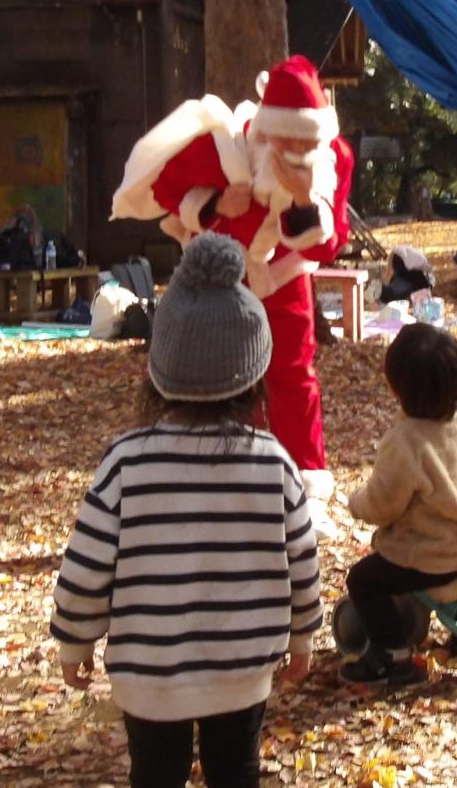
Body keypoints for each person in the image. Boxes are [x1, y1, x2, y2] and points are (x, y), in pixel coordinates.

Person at [50, 232, 321, 788]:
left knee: (155, 778)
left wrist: (73, 641)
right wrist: (302, 637)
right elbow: (302, 559)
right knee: (236, 774)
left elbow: (87, 564)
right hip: (240, 667)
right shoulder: (273, 465)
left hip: (149, 669)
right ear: (256, 374)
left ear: (157, 370)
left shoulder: (126, 463)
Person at [111, 55, 354, 536]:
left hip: (286, 279)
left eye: (306, 143)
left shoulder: (333, 159)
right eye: (287, 141)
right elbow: (166, 192)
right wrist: (215, 203)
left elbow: (330, 243)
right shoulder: (223, 146)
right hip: (222, 281)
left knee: (293, 378)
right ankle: (228, 484)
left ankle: (303, 494)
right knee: (221, 380)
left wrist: (304, 200)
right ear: (266, 132)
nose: (296, 151)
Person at [341, 323, 457, 686]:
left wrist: (356, 503)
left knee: (364, 580)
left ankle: (392, 656)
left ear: (397, 387)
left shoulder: (406, 441)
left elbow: (384, 504)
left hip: (428, 557)